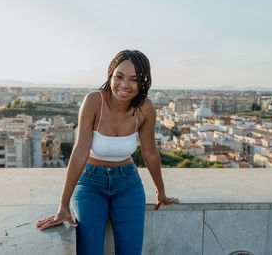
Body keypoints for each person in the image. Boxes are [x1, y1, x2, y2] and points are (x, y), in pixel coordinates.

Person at [36, 50, 180, 255]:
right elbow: (79, 152)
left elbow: (150, 153)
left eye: (134, 79)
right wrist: (63, 204)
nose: (124, 85)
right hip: (90, 183)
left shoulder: (145, 108)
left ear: (143, 83)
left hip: (128, 184)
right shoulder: (94, 101)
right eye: (119, 76)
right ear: (110, 75)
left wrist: (161, 191)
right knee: (89, 251)